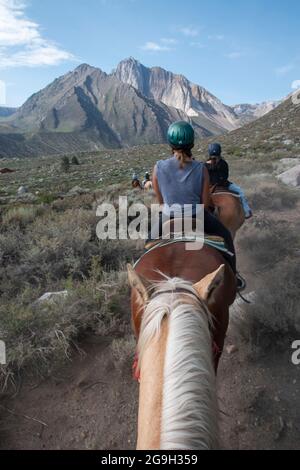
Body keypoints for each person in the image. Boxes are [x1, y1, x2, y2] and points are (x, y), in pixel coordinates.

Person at [152, 121, 237, 276]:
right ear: (192, 143)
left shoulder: (158, 167)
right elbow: (205, 204)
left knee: (147, 244)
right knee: (226, 236)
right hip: (196, 216)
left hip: (168, 216)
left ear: (169, 143)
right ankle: (234, 275)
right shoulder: (200, 168)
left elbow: (161, 202)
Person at [206, 143, 253, 219]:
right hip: (224, 184)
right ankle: (247, 211)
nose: (214, 158)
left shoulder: (205, 165)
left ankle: (194, 216)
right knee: (240, 192)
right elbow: (225, 176)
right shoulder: (223, 163)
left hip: (211, 186)